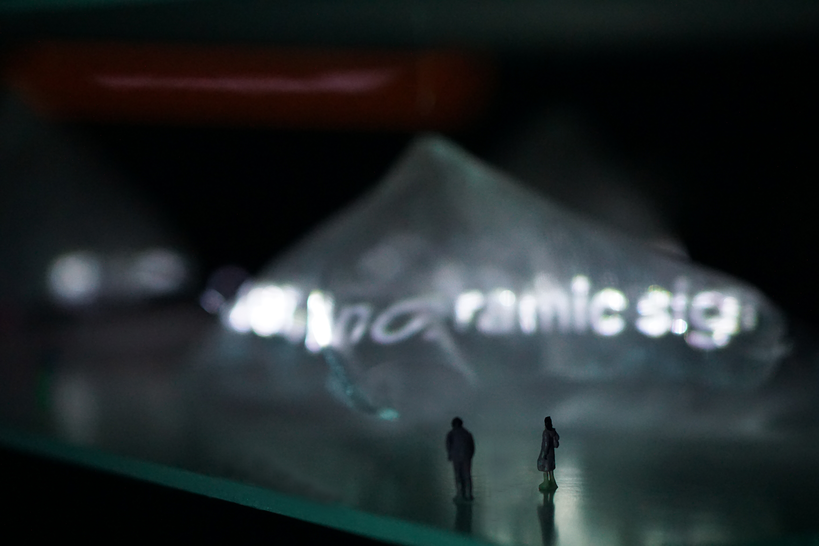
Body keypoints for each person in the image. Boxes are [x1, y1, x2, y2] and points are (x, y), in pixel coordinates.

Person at [446, 417, 475, 502]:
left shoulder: (451, 434)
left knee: (458, 476)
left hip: (456, 458)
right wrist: (470, 456)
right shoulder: (467, 433)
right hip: (466, 458)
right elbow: (472, 447)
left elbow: (448, 445)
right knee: (467, 476)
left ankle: (460, 494)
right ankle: (468, 494)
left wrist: (450, 455)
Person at [537, 416, 560, 491]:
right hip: (551, 453)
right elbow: (556, 442)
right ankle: (552, 482)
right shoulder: (553, 432)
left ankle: (546, 482)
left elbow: (546, 444)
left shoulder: (546, 432)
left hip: (547, 454)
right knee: (550, 469)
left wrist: (544, 454)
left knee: (545, 468)